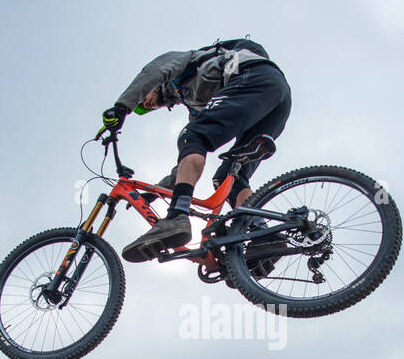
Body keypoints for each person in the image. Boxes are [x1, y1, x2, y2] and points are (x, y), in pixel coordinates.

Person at [100, 37, 292, 263]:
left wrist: (122, 107)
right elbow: (188, 161)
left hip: (252, 76)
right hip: (276, 97)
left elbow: (155, 70)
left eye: (145, 99)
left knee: (191, 135)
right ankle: (265, 236)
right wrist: (156, 191)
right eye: (143, 107)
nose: (146, 104)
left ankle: (176, 217)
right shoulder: (196, 105)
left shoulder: (186, 61)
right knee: (229, 177)